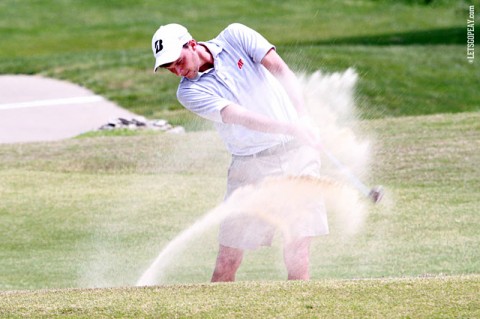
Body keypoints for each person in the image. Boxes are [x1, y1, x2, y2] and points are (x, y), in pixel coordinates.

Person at [151, 23, 329, 282]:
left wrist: (303, 117)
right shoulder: (188, 91)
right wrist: (292, 127)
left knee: (297, 251)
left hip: (298, 157)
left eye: (178, 61)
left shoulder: (235, 35)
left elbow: (279, 68)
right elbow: (239, 116)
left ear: (191, 43)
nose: (177, 70)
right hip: (249, 168)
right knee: (227, 261)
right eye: (170, 68)